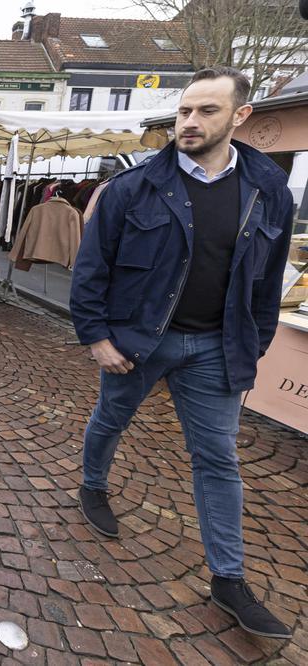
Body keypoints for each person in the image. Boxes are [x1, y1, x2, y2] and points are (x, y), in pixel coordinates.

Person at [70, 66, 294, 640]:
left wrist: (254, 345)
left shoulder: (268, 190)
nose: (189, 122)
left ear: (240, 116)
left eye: (206, 111)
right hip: (141, 340)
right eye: (185, 110)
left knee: (217, 457)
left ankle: (228, 577)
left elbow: (267, 283)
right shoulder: (134, 186)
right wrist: (97, 336)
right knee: (111, 417)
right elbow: (92, 267)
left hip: (216, 348)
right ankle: (93, 484)